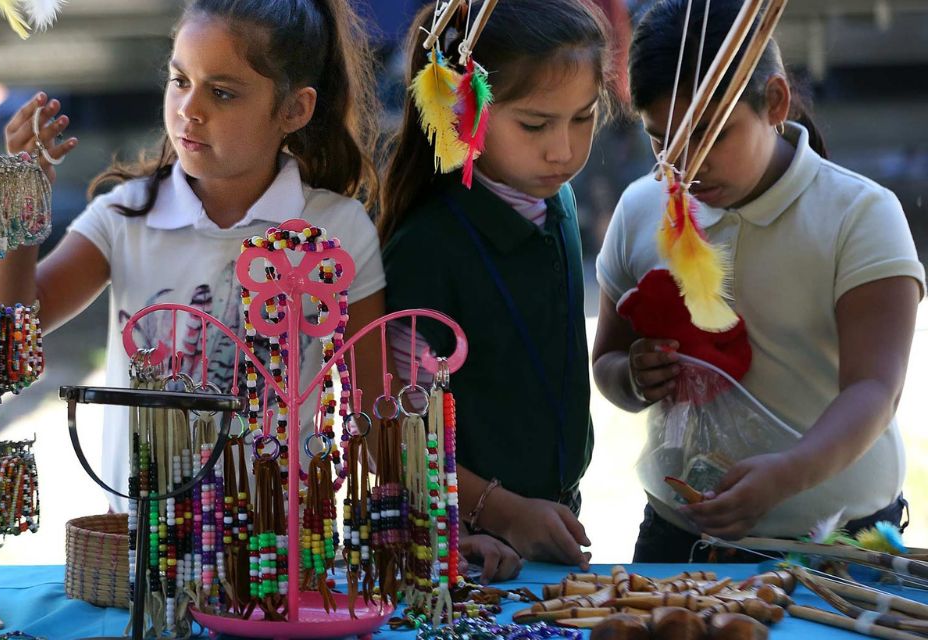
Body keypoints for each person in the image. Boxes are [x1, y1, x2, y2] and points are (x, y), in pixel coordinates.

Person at [0, 0, 388, 513]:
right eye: (179, 80)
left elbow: (376, 420)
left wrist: (465, 516)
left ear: (294, 110)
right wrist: (16, 206)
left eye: (221, 92)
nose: (190, 109)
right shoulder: (124, 217)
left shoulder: (339, 229)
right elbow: (3, 341)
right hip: (137, 556)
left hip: (279, 556)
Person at [592, 0, 923, 562]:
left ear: (773, 102)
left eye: (709, 135)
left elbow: (875, 389)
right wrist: (635, 376)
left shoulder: (861, 213)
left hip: (838, 543)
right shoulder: (642, 206)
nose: (685, 166)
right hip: (681, 537)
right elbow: (608, 362)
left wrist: (788, 475)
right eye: (661, 140)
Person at [379, 0, 617, 577]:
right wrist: (504, 513)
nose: (563, 150)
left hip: (547, 528)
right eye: (535, 124)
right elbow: (401, 435)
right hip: (463, 548)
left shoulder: (557, 201)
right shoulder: (426, 249)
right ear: (463, 111)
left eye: (583, 118)